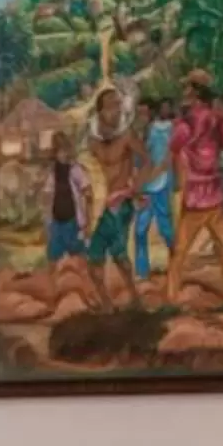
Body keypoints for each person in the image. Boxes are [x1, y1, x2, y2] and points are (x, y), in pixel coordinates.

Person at [163, 69, 223, 302]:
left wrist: (175, 181)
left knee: (179, 252)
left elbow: (173, 153)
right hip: (215, 192)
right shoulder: (217, 118)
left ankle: (171, 298)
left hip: (195, 196)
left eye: (187, 87)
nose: (184, 91)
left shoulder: (184, 123)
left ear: (196, 92)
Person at [79, 85, 149, 309]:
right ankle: (107, 303)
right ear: (100, 111)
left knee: (119, 253)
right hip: (99, 207)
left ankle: (134, 298)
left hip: (121, 204)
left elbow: (147, 161)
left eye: (119, 105)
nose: (117, 111)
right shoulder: (91, 141)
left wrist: (135, 187)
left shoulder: (127, 136)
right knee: (94, 259)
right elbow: (84, 171)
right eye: (112, 107)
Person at [129, 96, 175, 280]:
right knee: (140, 230)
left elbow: (164, 163)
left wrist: (143, 183)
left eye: (144, 113)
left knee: (166, 229)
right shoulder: (137, 135)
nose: (141, 117)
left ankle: (175, 263)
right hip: (144, 188)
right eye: (138, 113)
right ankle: (142, 271)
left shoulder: (160, 132)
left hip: (158, 185)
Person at [42, 132, 89, 266]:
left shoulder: (75, 169)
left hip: (72, 221)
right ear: (55, 153)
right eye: (59, 151)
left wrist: (87, 220)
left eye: (65, 150)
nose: (63, 154)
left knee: (79, 258)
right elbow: (47, 193)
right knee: (53, 258)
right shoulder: (53, 171)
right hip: (56, 222)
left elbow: (87, 191)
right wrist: (47, 220)